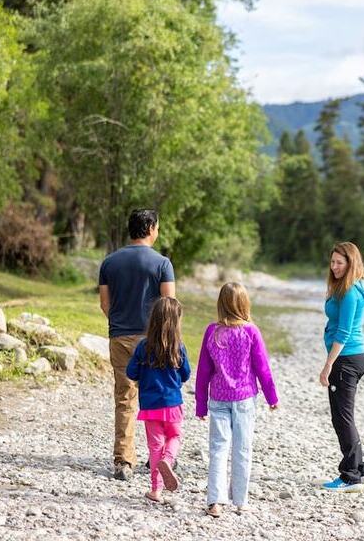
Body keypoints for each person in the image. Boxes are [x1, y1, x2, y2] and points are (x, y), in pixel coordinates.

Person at [99, 209, 176, 481]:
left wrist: (120, 324)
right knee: (157, 396)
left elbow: (105, 304)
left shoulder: (109, 263)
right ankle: (162, 454)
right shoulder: (162, 263)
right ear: (152, 227)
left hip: (119, 337)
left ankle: (123, 460)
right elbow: (169, 306)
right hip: (152, 339)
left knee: (124, 398)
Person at [195, 282, 279, 518]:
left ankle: (215, 501)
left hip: (218, 398)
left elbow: (203, 370)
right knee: (242, 449)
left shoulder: (212, 331)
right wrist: (272, 396)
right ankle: (240, 501)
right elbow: (263, 368)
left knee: (218, 449)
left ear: (221, 304)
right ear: (244, 304)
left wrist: (201, 404)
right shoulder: (251, 331)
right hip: (244, 398)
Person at [318, 242, 364, 493]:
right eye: (332, 262)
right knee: (345, 416)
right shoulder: (357, 287)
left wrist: (328, 365)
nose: (335, 267)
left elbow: (344, 331)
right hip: (355, 357)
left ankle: (351, 476)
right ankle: (359, 468)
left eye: (340, 262)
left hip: (346, 359)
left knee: (342, 418)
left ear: (351, 263)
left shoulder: (350, 291)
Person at [126, 297, 191, 502]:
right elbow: (186, 374)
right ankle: (168, 460)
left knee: (155, 446)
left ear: (153, 320)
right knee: (175, 437)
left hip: (150, 406)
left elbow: (131, 372)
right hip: (172, 404)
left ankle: (156, 490)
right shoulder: (178, 347)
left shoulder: (143, 347)